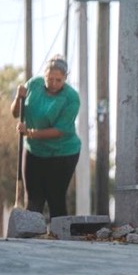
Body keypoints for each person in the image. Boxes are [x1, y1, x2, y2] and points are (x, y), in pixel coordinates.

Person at [10, 55, 81, 218]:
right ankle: (32, 240)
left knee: (55, 198)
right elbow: (15, 113)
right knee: (34, 199)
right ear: (44, 75)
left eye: (58, 80)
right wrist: (18, 97)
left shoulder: (71, 98)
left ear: (65, 78)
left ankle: (60, 241)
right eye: (50, 79)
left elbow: (59, 131)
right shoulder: (34, 84)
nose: (54, 84)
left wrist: (30, 133)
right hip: (34, 151)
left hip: (63, 153)